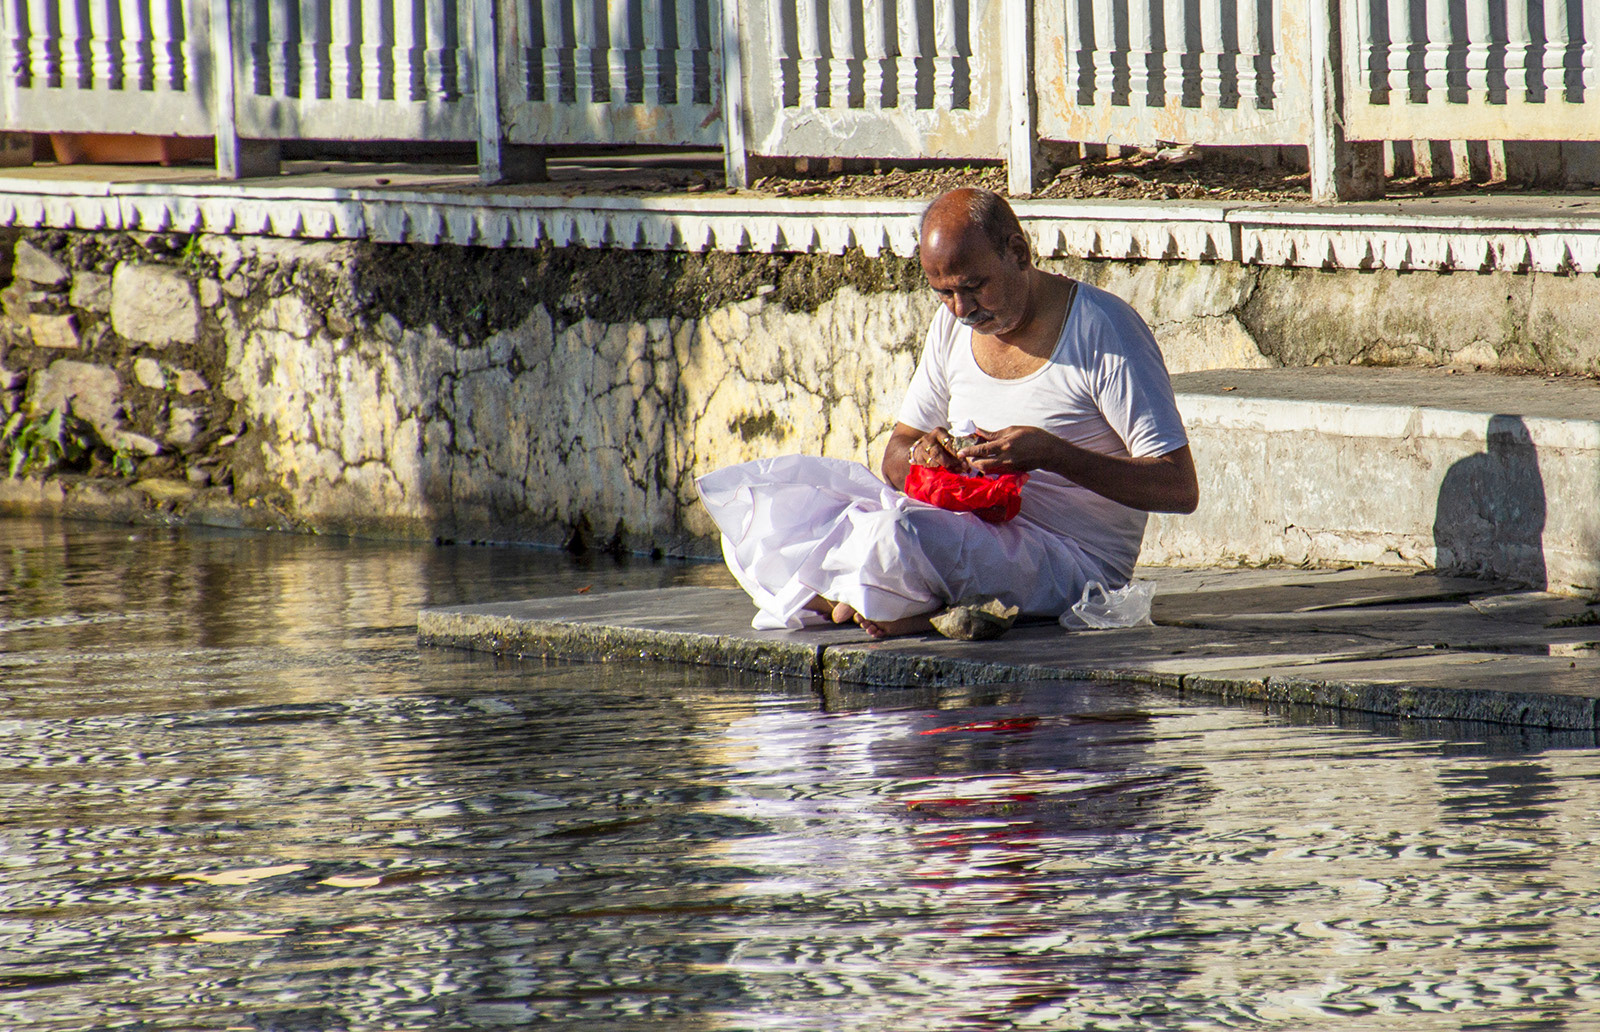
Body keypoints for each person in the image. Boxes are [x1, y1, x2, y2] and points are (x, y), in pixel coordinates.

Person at [695, 187, 1198, 638]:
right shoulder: (952, 327)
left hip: (1071, 558)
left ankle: (859, 598)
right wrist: (925, 456)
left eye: (974, 287)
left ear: (1019, 253)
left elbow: (1178, 488)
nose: (960, 309)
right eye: (944, 292)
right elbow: (895, 456)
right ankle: (879, 600)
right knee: (777, 503)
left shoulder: (1103, 329)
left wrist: (1050, 454)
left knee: (897, 534)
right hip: (961, 523)